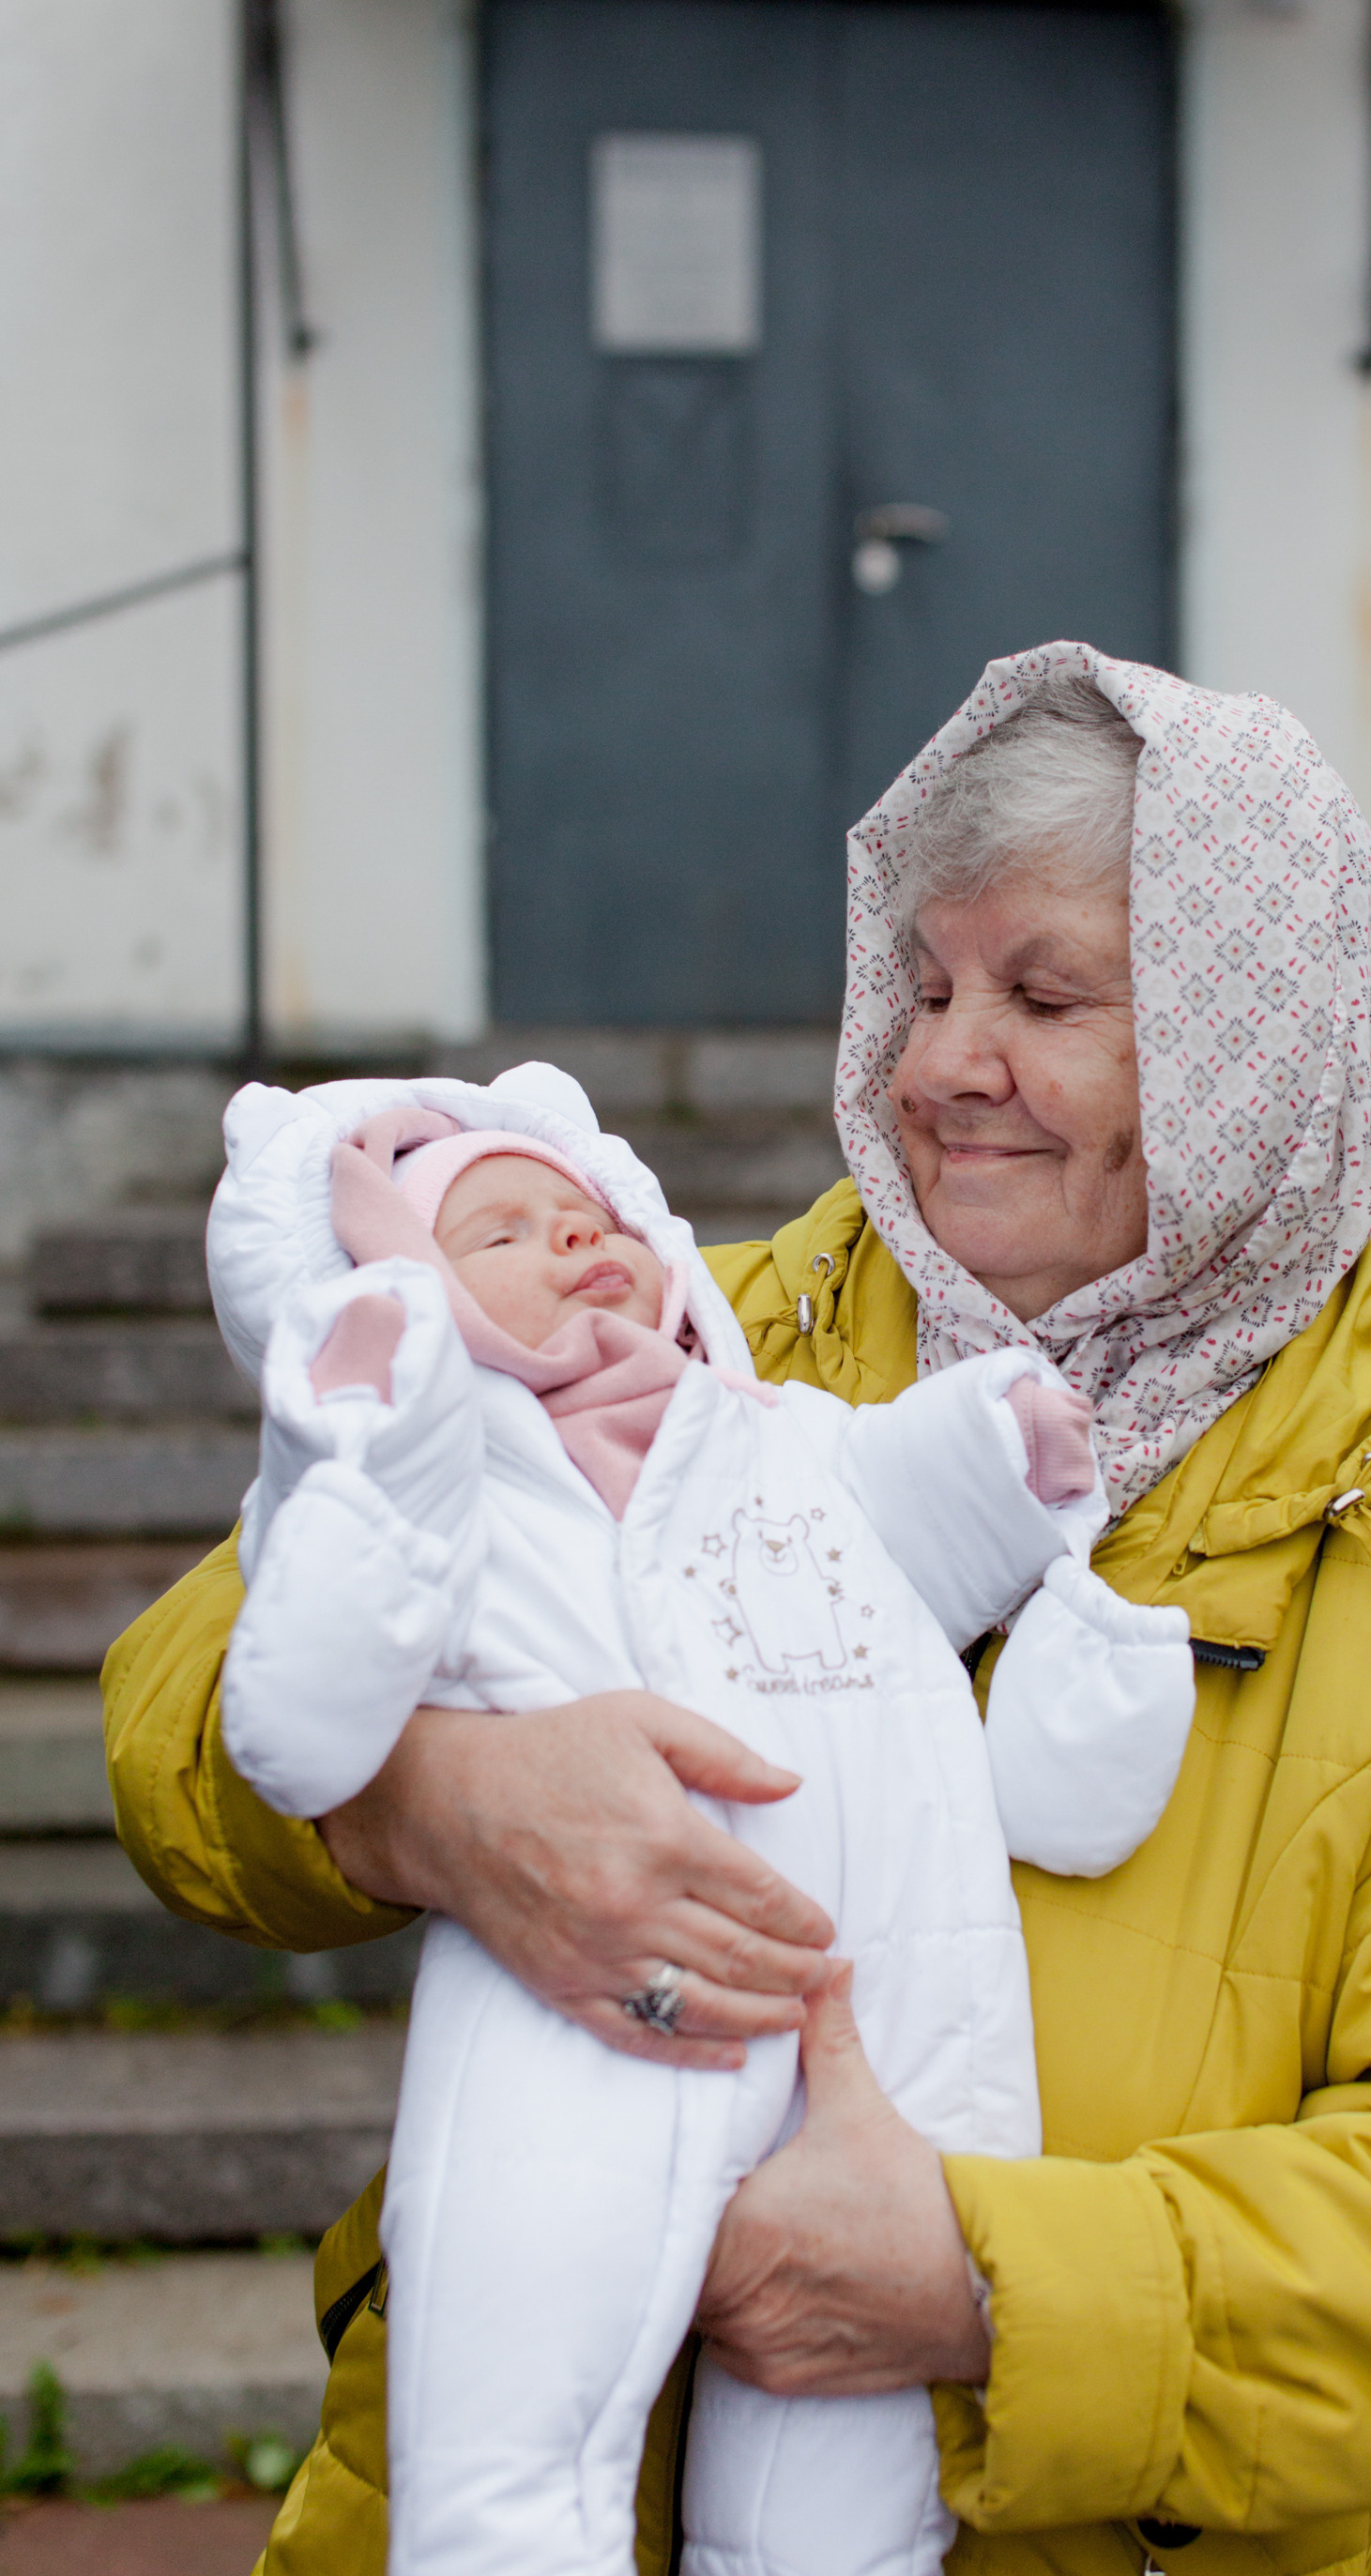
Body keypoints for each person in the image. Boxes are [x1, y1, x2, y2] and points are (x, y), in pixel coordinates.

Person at [103, 643, 1371, 2576]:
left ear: (1245, 1041)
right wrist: (431, 1797)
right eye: (926, 984)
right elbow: (195, 1689)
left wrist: (980, 2289)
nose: (943, 1063)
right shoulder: (687, 1327)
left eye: (1043, 996)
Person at [206, 1073, 1191, 2576]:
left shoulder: (765, 1428)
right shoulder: (431, 1470)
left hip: (883, 2021)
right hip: (587, 2017)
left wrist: (1001, 1447)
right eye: (504, 1231)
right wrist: (363, 1468)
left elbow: (891, 1496)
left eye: (593, 1216)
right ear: (397, 1286)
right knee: (516, 2416)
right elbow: (289, 1706)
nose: (578, 1245)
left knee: (844, 2495)